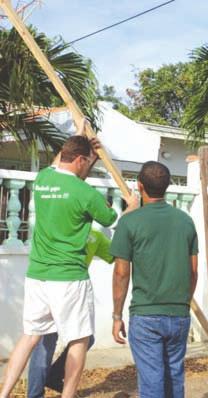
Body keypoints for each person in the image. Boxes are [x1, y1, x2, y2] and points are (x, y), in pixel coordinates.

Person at [0, 131, 122, 398]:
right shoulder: (86, 193)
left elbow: (61, 162)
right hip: (68, 277)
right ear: (80, 160)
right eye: (86, 161)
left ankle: (4, 393)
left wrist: (80, 138)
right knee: (79, 341)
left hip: (37, 274)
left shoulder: (43, 179)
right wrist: (133, 206)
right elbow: (112, 218)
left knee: (29, 336)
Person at [110, 161, 198, 398]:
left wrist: (117, 316)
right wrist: (183, 304)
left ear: (140, 186)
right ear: (167, 186)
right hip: (178, 313)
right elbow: (192, 271)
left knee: (152, 383)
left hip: (146, 314)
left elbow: (121, 273)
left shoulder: (129, 222)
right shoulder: (185, 221)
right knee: (174, 378)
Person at [28, 229, 114, 398]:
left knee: (45, 341)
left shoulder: (55, 226)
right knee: (82, 339)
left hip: (47, 285)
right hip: (72, 290)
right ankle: (51, 379)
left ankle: (37, 391)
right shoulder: (94, 236)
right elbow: (117, 252)